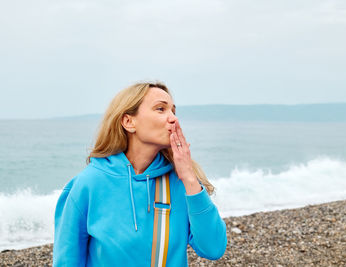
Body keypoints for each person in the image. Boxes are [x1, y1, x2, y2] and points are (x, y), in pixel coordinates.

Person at [53, 82, 227, 266]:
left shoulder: (181, 183)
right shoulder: (87, 184)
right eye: (161, 109)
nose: (173, 119)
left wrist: (190, 178)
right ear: (129, 122)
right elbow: (66, 261)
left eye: (173, 111)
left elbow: (213, 249)